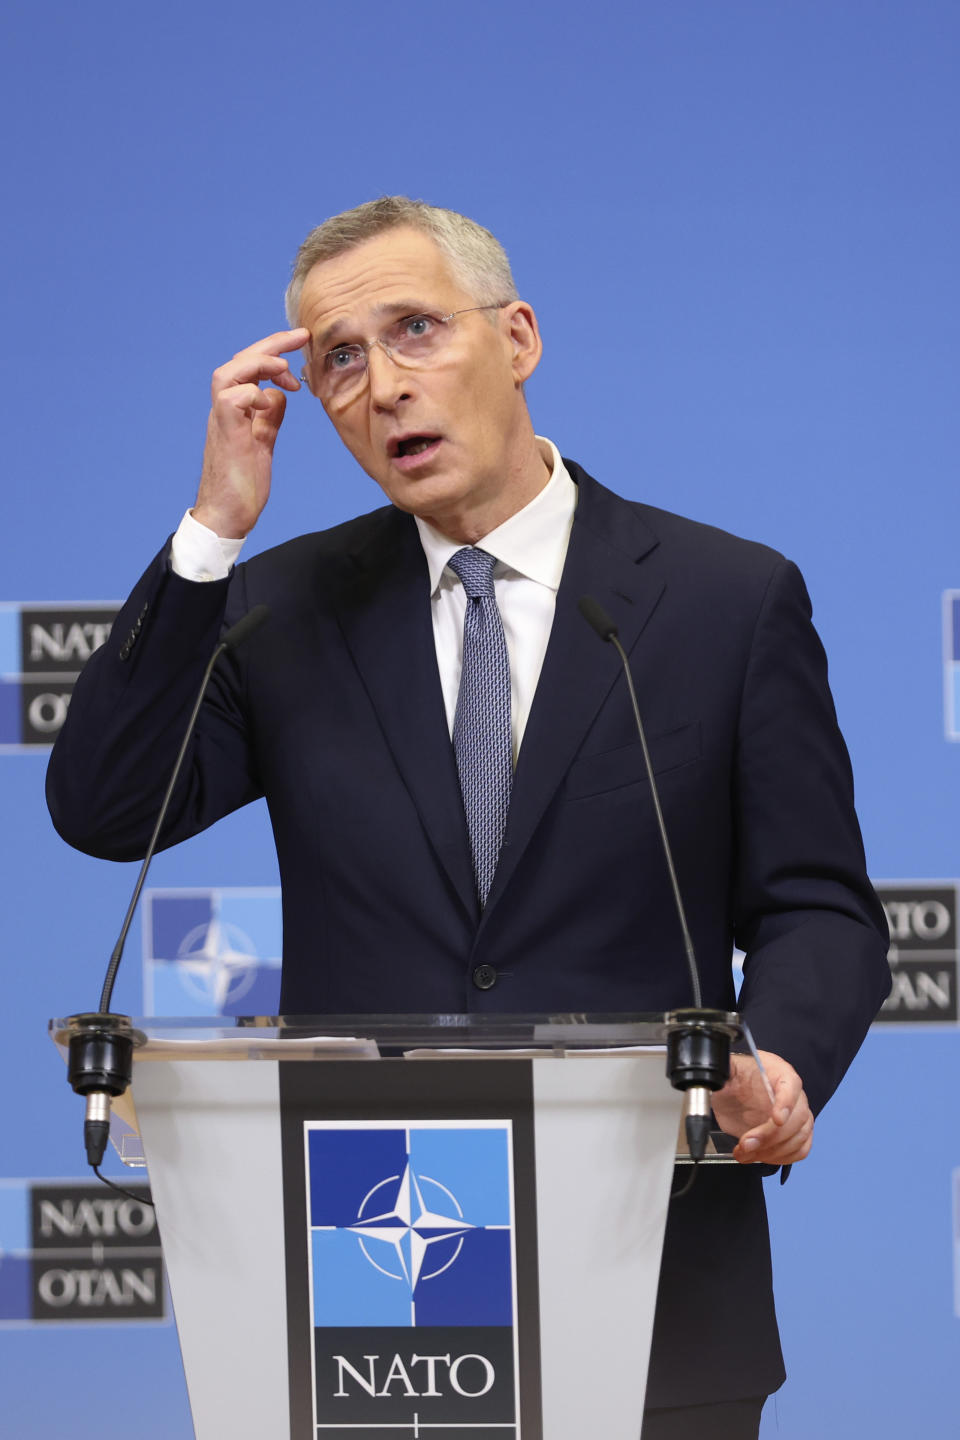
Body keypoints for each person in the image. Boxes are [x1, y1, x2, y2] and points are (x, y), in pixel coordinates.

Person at [46, 197, 890, 1437]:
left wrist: (784, 1061)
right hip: (372, 1297)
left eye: (416, 330)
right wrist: (211, 532)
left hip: (657, 1282)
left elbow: (817, 905)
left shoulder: (726, 599)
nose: (381, 386)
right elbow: (108, 807)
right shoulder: (282, 610)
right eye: (339, 358)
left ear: (519, 338)